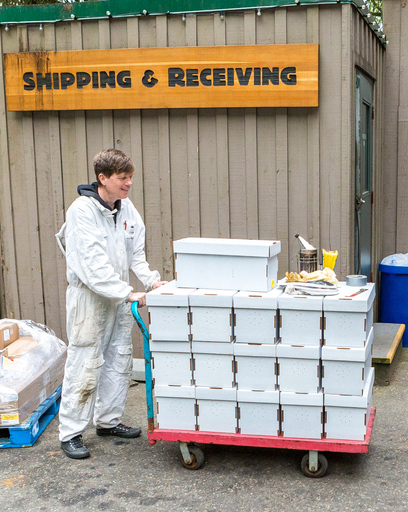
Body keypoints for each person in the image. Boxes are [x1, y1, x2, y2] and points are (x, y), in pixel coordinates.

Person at [56, 148, 166, 459]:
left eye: (130, 177)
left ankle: (108, 421)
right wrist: (126, 292)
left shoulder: (125, 208)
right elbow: (91, 264)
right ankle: (70, 433)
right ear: (103, 178)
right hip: (90, 299)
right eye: (122, 178)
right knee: (85, 362)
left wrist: (151, 281)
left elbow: (136, 253)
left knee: (119, 359)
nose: (129, 183)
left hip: (118, 297)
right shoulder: (82, 211)